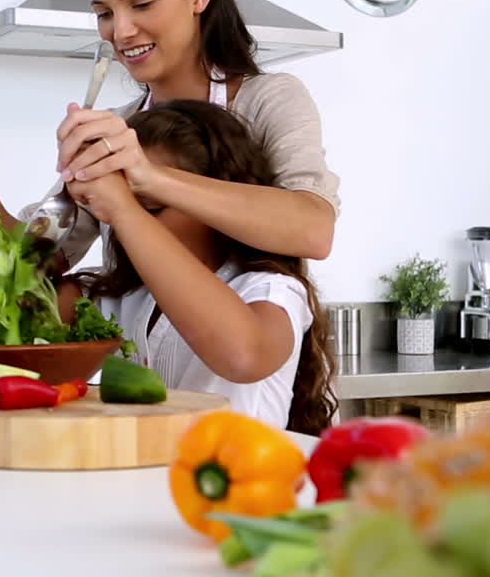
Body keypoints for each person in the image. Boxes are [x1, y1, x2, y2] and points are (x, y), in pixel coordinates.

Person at [0, 0, 340, 272]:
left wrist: (148, 176)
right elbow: (34, 264)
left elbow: (313, 229)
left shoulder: (269, 99)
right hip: (134, 362)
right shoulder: (119, 129)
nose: (120, 31)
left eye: (141, 4)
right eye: (104, 13)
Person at [59, 101, 335, 433]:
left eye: (150, 206)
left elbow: (244, 356)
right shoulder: (123, 294)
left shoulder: (266, 290)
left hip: (243, 482)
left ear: (210, 205)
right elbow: (20, 298)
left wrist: (122, 208)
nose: (127, 230)